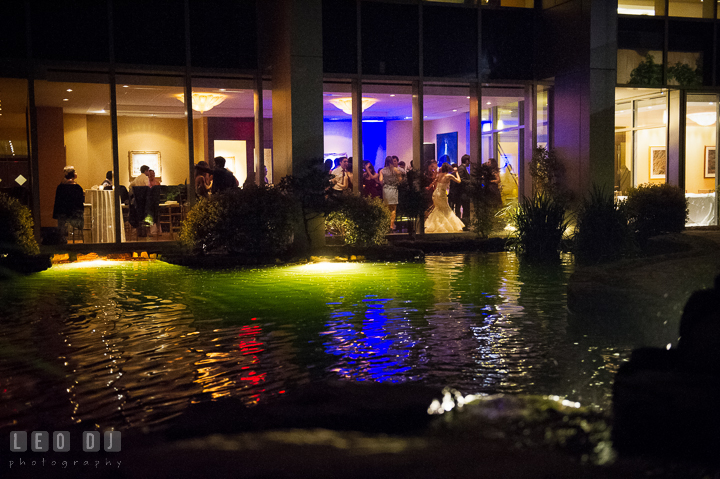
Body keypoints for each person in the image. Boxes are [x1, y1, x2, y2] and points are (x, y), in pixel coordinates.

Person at [425, 162, 464, 233]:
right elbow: (459, 181)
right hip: (442, 194)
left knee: (438, 208)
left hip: (435, 193)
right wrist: (457, 173)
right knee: (446, 209)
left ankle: (436, 224)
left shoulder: (439, 175)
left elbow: (434, 182)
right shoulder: (449, 176)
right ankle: (443, 225)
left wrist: (429, 187)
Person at [52, 166, 85, 239]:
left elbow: (57, 202)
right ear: (73, 175)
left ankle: (61, 238)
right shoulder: (78, 188)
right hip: (74, 215)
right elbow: (81, 201)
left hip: (62, 213)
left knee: (61, 224)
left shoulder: (60, 187)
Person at [379, 155, 404, 231]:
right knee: (393, 209)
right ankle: (391, 225)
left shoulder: (382, 171)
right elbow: (400, 180)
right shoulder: (396, 170)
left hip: (386, 190)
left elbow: (381, 181)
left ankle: (386, 224)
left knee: (387, 208)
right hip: (394, 189)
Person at [451, 155, 472, 224]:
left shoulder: (462, 168)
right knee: (465, 208)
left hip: (463, 193)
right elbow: (461, 180)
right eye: (469, 161)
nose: (469, 163)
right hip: (462, 193)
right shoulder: (462, 168)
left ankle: (464, 223)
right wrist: (470, 181)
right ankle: (464, 223)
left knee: (465, 209)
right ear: (466, 161)